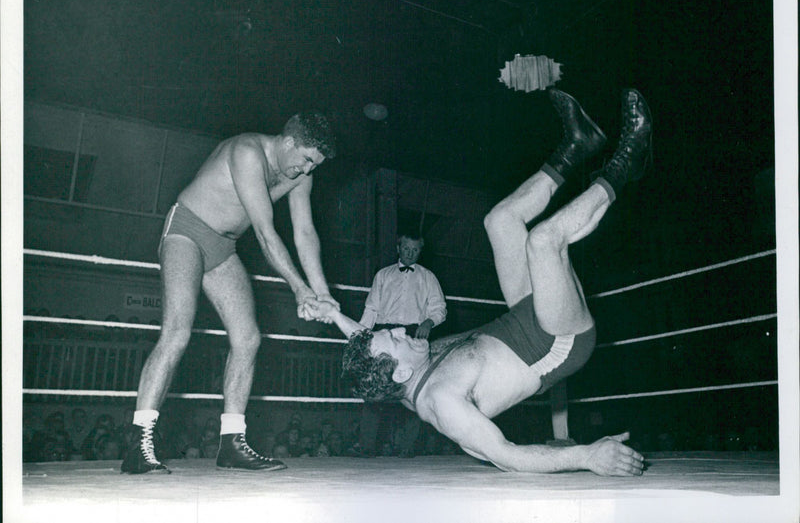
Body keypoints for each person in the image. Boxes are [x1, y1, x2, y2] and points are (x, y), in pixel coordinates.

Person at [322, 88, 651, 475]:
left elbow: (365, 344)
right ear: (400, 374)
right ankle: (628, 160)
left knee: (500, 221)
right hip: (559, 340)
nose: (397, 329)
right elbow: (506, 455)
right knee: (543, 242)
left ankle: (577, 144)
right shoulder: (442, 405)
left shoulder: (400, 367)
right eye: (393, 338)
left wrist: (332, 314)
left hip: (523, 314)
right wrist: (587, 457)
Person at [121, 111, 338, 474]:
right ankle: (138, 442)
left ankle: (232, 443)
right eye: (305, 160)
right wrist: (299, 290)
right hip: (187, 231)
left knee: (248, 339)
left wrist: (322, 292)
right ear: (288, 142)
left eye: (315, 165)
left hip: (224, 248)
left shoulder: (300, 176)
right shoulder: (247, 152)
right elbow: (267, 234)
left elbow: (305, 234)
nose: (307, 171)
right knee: (177, 332)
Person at [356, 231, 447, 457]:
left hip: (413, 336)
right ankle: (366, 447)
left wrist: (428, 321)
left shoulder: (428, 277)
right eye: (406, 248)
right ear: (398, 248)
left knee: (411, 390)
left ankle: (407, 448)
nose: (410, 253)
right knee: (375, 389)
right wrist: (360, 337)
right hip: (385, 334)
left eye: (415, 250)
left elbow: (439, 309)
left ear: (420, 250)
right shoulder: (383, 275)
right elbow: (371, 309)